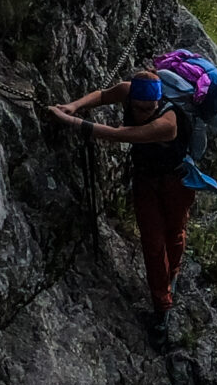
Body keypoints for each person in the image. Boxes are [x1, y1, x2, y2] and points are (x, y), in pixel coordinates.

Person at [50, 69, 197, 319]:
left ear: (158, 102)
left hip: (176, 181)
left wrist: (71, 121)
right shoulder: (128, 91)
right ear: (131, 99)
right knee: (152, 243)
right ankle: (162, 305)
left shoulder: (167, 123)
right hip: (146, 180)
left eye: (149, 108)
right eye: (139, 108)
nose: (143, 113)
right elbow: (103, 95)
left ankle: (173, 273)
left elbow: (120, 135)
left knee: (174, 232)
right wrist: (73, 106)